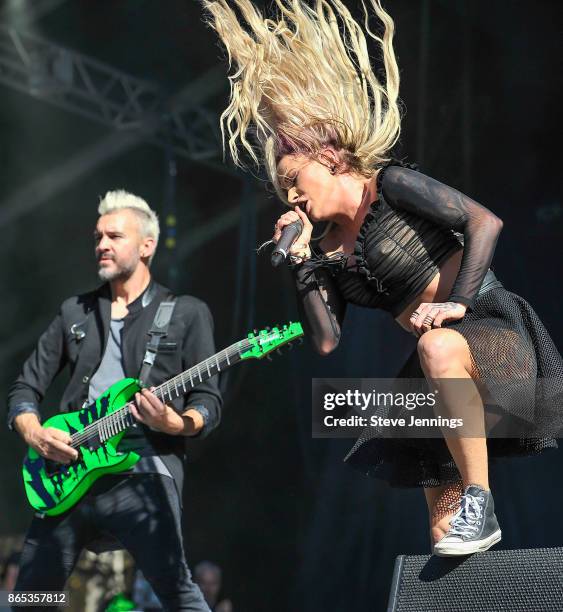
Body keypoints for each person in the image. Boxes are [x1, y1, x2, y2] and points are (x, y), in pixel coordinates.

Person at [203, 0, 563, 556]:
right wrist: (302, 264)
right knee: (443, 532)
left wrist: (456, 305)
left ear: (329, 156)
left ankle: (482, 500)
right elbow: (325, 341)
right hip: (438, 367)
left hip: (494, 333)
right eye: (284, 190)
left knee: (440, 348)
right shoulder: (324, 252)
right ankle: (466, 551)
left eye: (296, 180)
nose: (292, 196)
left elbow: (484, 222)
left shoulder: (390, 186)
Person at [7, 190, 222, 610]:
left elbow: (208, 402)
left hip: (142, 469)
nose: (102, 244)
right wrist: (35, 434)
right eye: (98, 237)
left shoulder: (186, 313)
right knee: (31, 598)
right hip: (67, 472)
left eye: (115, 236)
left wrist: (173, 424)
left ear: (147, 246)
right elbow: (24, 390)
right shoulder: (75, 312)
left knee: (177, 593)